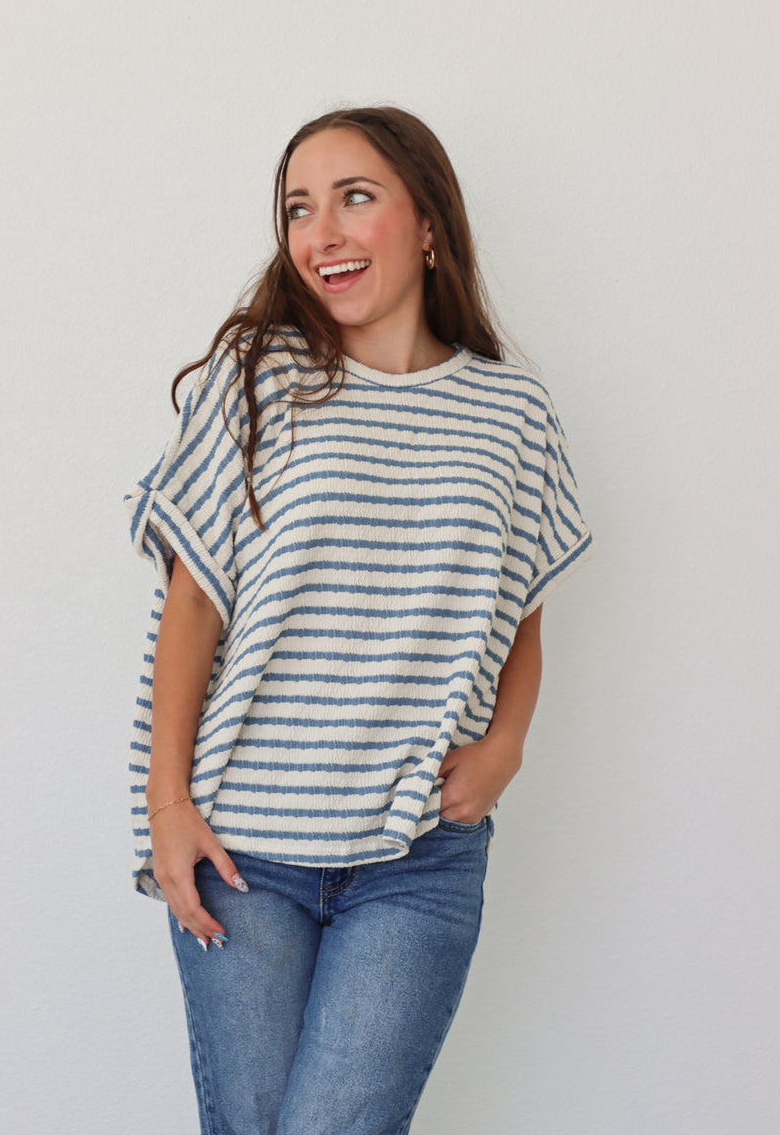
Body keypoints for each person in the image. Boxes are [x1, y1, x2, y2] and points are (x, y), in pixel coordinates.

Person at [125, 105, 594, 1135]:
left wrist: (507, 743)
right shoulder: (258, 381)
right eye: (298, 209)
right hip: (243, 851)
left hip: (415, 858)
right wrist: (167, 810)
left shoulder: (510, 413)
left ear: (426, 223)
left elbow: (521, 604)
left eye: (354, 198)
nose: (320, 232)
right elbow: (192, 600)